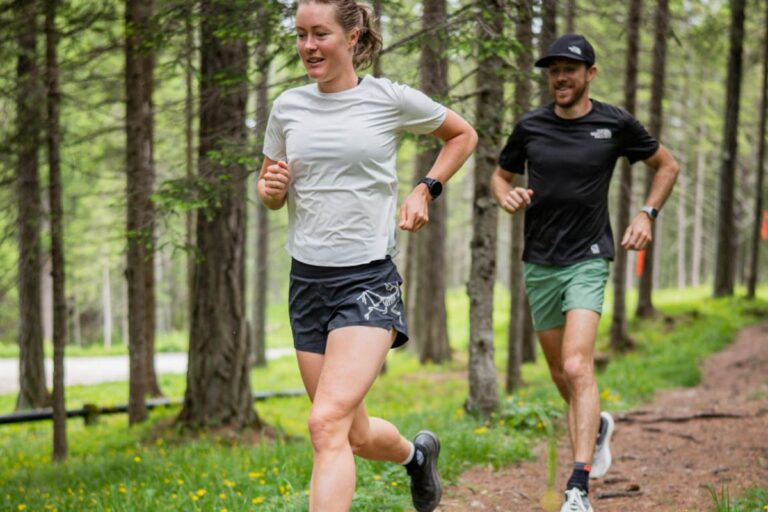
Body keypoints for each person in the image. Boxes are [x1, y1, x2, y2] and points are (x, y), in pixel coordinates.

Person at [257, 1, 477, 511]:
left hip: (367, 283)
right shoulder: (287, 107)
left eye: (320, 34)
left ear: (353, 37)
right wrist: (270, 189)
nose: (308, 46)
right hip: (307, 284)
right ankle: (416, 458)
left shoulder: (386, 98)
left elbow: (462, 135)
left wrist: (425, 189)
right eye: (301, 35)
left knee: (324, 423)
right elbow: (269, 189)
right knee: (350, 433)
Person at [491, 34, 679, 512]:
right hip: (539, 261)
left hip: (589, 257)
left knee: (578, 366)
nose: (560, 78)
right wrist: (505, 195)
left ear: (590, 74)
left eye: (569, 70)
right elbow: (500, 175)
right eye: (553, 70)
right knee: (559, 372)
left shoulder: (614, 123)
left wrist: (647, 215)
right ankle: (596, 427)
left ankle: (578, 487)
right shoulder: (530, 126)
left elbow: (667, 166)